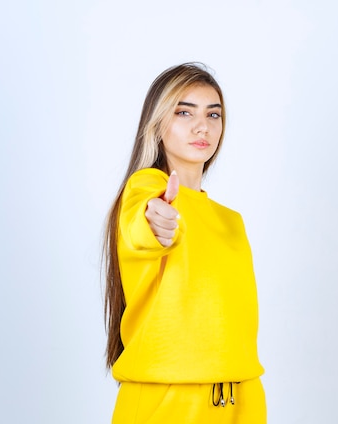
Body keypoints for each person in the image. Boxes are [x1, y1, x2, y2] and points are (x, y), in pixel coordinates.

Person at [103, 62, 266, 423]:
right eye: (183, 112)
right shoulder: (148, 189)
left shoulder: (231, 221)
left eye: (213, 114)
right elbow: (141, 225)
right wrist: (155, 223)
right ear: (158, 123)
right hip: (169, 399)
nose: (202, 126)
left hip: (240, 394)